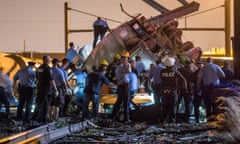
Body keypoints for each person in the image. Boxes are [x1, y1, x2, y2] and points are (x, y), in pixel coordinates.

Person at [160, 56, 187, 123]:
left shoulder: (162, 71)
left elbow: (162, 80)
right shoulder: (175, 72)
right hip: (173, 90)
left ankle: (163, 118)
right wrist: (184, 88)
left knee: (165, 105)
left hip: (164, 90)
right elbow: (183, 80)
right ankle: (172, 119)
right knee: (173, 105)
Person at [34, 56, 58, 123]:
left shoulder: (39, 68)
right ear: (47, 60)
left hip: (40, 89)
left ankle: (36, 118)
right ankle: (44, 120)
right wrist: (55, 90)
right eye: (49, 59)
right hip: (47, 89)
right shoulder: (48, 68)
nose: (50, 60)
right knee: (46, 105)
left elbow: (37, 78)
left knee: (39, 104)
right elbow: (51, 80)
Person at [111, 51, 132, 123]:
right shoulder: (121, 67)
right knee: (126, 102)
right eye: (126, 58)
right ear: (123, 59)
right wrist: (129, 64)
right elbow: (129, 71)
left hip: (121, 86)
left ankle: (113, 116)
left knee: (119, 101)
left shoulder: (118, 67)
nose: (127, 60)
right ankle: (126, 119)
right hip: (124, 86)